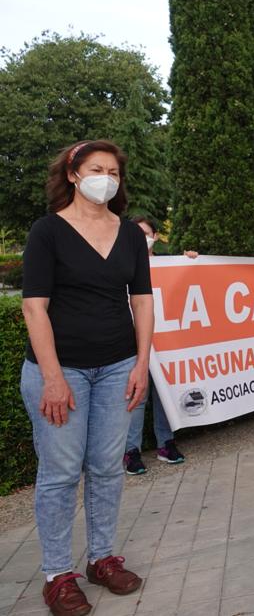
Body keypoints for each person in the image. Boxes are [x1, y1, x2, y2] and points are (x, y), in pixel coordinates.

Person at [20, 140, 152, 615]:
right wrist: (53, 379)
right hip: (62, 372)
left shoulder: (130, 234)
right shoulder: (47, 231)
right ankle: (57, 574)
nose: (107, 178)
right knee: (58, 475)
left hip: (118, 367)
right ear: (73, 174)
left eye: (114, 172)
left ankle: (101, 557)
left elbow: (142, 300)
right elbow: (34, 307)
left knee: (105, 468)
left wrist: (141, 364)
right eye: (97, 169)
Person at [122, 218, 198, 475]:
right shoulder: (122, 263)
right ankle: (130, 451)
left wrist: (190, 261)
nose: (142, 237)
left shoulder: (169, 263)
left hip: (167, 344)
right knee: (138, 396)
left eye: (146, 233)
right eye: (137, 233)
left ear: (155, 235)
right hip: (135, 342)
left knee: (165, 394)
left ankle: (165, 444)